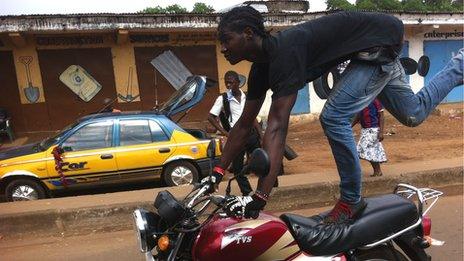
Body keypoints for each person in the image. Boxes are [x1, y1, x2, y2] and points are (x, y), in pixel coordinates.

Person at [204, 6, 463, 223]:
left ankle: (351, 200)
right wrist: (215, 174)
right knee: (413, 114)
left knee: (333, 117)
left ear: (248, 34)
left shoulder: (284, 53)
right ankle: (460, 64)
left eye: (226, 40)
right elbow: (243, 125)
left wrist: (261, 196)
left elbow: (277, 127)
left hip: (377, 45)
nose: (223, 47)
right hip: (373, 46)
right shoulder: (261, 69)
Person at [208, 70, 261, 196]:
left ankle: (268, 189)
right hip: (237, 137)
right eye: (226, 83)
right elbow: (210, 117)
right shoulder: (223, 99)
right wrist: (225, 133)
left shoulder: (247, 97)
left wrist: (261, 135)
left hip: (252, 134)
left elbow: (253, 117)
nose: (228, 85)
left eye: (231, 83)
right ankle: (247, 193)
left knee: (263, 163)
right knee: (237, 169)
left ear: (238, 82)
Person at [352, 98, 387, 177]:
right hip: (365, 130)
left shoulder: (375, 100)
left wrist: (381, 132)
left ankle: (377, 170)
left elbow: (381, 116)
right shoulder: (361, 101)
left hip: (373, 129)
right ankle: (377, 171)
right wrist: (350, 126)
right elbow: (358, 116)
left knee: (366, 150)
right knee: (369, 151)